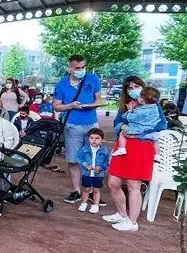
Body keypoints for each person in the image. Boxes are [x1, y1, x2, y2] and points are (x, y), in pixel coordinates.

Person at [105, 76, 167, 232]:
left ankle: (132, 222)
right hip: (124, 145)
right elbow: (116, 124)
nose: (133, 89)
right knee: (113, 182)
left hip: (141, 146)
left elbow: (161, 125)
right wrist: (123, 127)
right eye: (130, 87)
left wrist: (138, 134)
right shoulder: (126, 105)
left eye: (136, 86)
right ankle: (122, 214)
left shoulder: (153, 105)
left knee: (134, 185)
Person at [53, 55, 103, 204]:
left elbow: (99, 99)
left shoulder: (92, 79)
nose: (81, 70)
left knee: (93, 158)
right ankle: (76, 191)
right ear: (70, 68)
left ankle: (93, 192)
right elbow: (56, 106)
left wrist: (92, 105)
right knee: (74, 159)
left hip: (91, 124)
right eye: (77, 68)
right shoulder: (62, 84)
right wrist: (70, 106)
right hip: (72, 125)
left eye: (83, 67)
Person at [112, 86, 162, 157]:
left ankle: (122, 149)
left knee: (122, 134)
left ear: (142, 100)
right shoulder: (155, 107)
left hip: (137, 134)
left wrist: (130, 111)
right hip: (152, 134)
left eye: (136, 86)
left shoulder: (139, 111)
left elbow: (130, 118)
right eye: (130, 88)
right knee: (156, 141)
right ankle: (157, 155)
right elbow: (117, 122)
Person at [75, 128, 110, 214]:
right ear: (88, 138)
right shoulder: (84, 149)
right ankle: (84, 203)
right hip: (87, 173)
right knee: (86, 189)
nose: (94, 140)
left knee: (96, 190)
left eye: (97, 138)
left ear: (102, 139)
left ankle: (96, 205)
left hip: (98, 174)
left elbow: (107, 162)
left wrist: (101, 167)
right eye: (91, 138)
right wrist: (85, 164)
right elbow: (79, 158)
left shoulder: (105, 151)